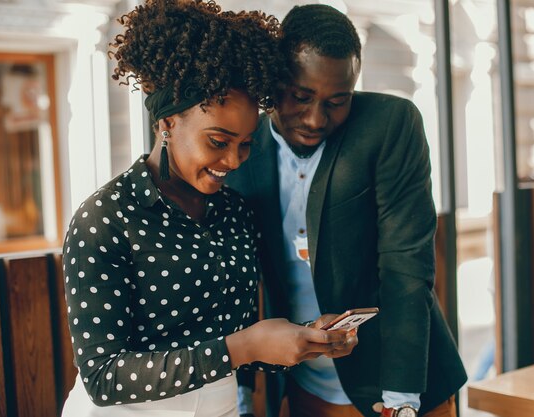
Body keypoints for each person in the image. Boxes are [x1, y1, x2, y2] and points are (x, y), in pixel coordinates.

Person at [60, 2, 357, 417]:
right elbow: (104, 377)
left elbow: (227, 345)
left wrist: (302, 339)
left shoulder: (234, 211)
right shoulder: (106, 219)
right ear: (167, 125)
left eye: (246, 143)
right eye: (218, 141)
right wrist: (244, 347)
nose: (235, 162)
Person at [227, 4, 467, 417]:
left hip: (395, 381)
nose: (316, 118)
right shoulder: (242, 148)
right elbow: (238, 279)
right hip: (302, 383)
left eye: (337, 101)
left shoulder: (391, 125)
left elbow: (405, 268)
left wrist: (401, 399)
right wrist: (241, 392)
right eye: (301, 97)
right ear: (275, 82)